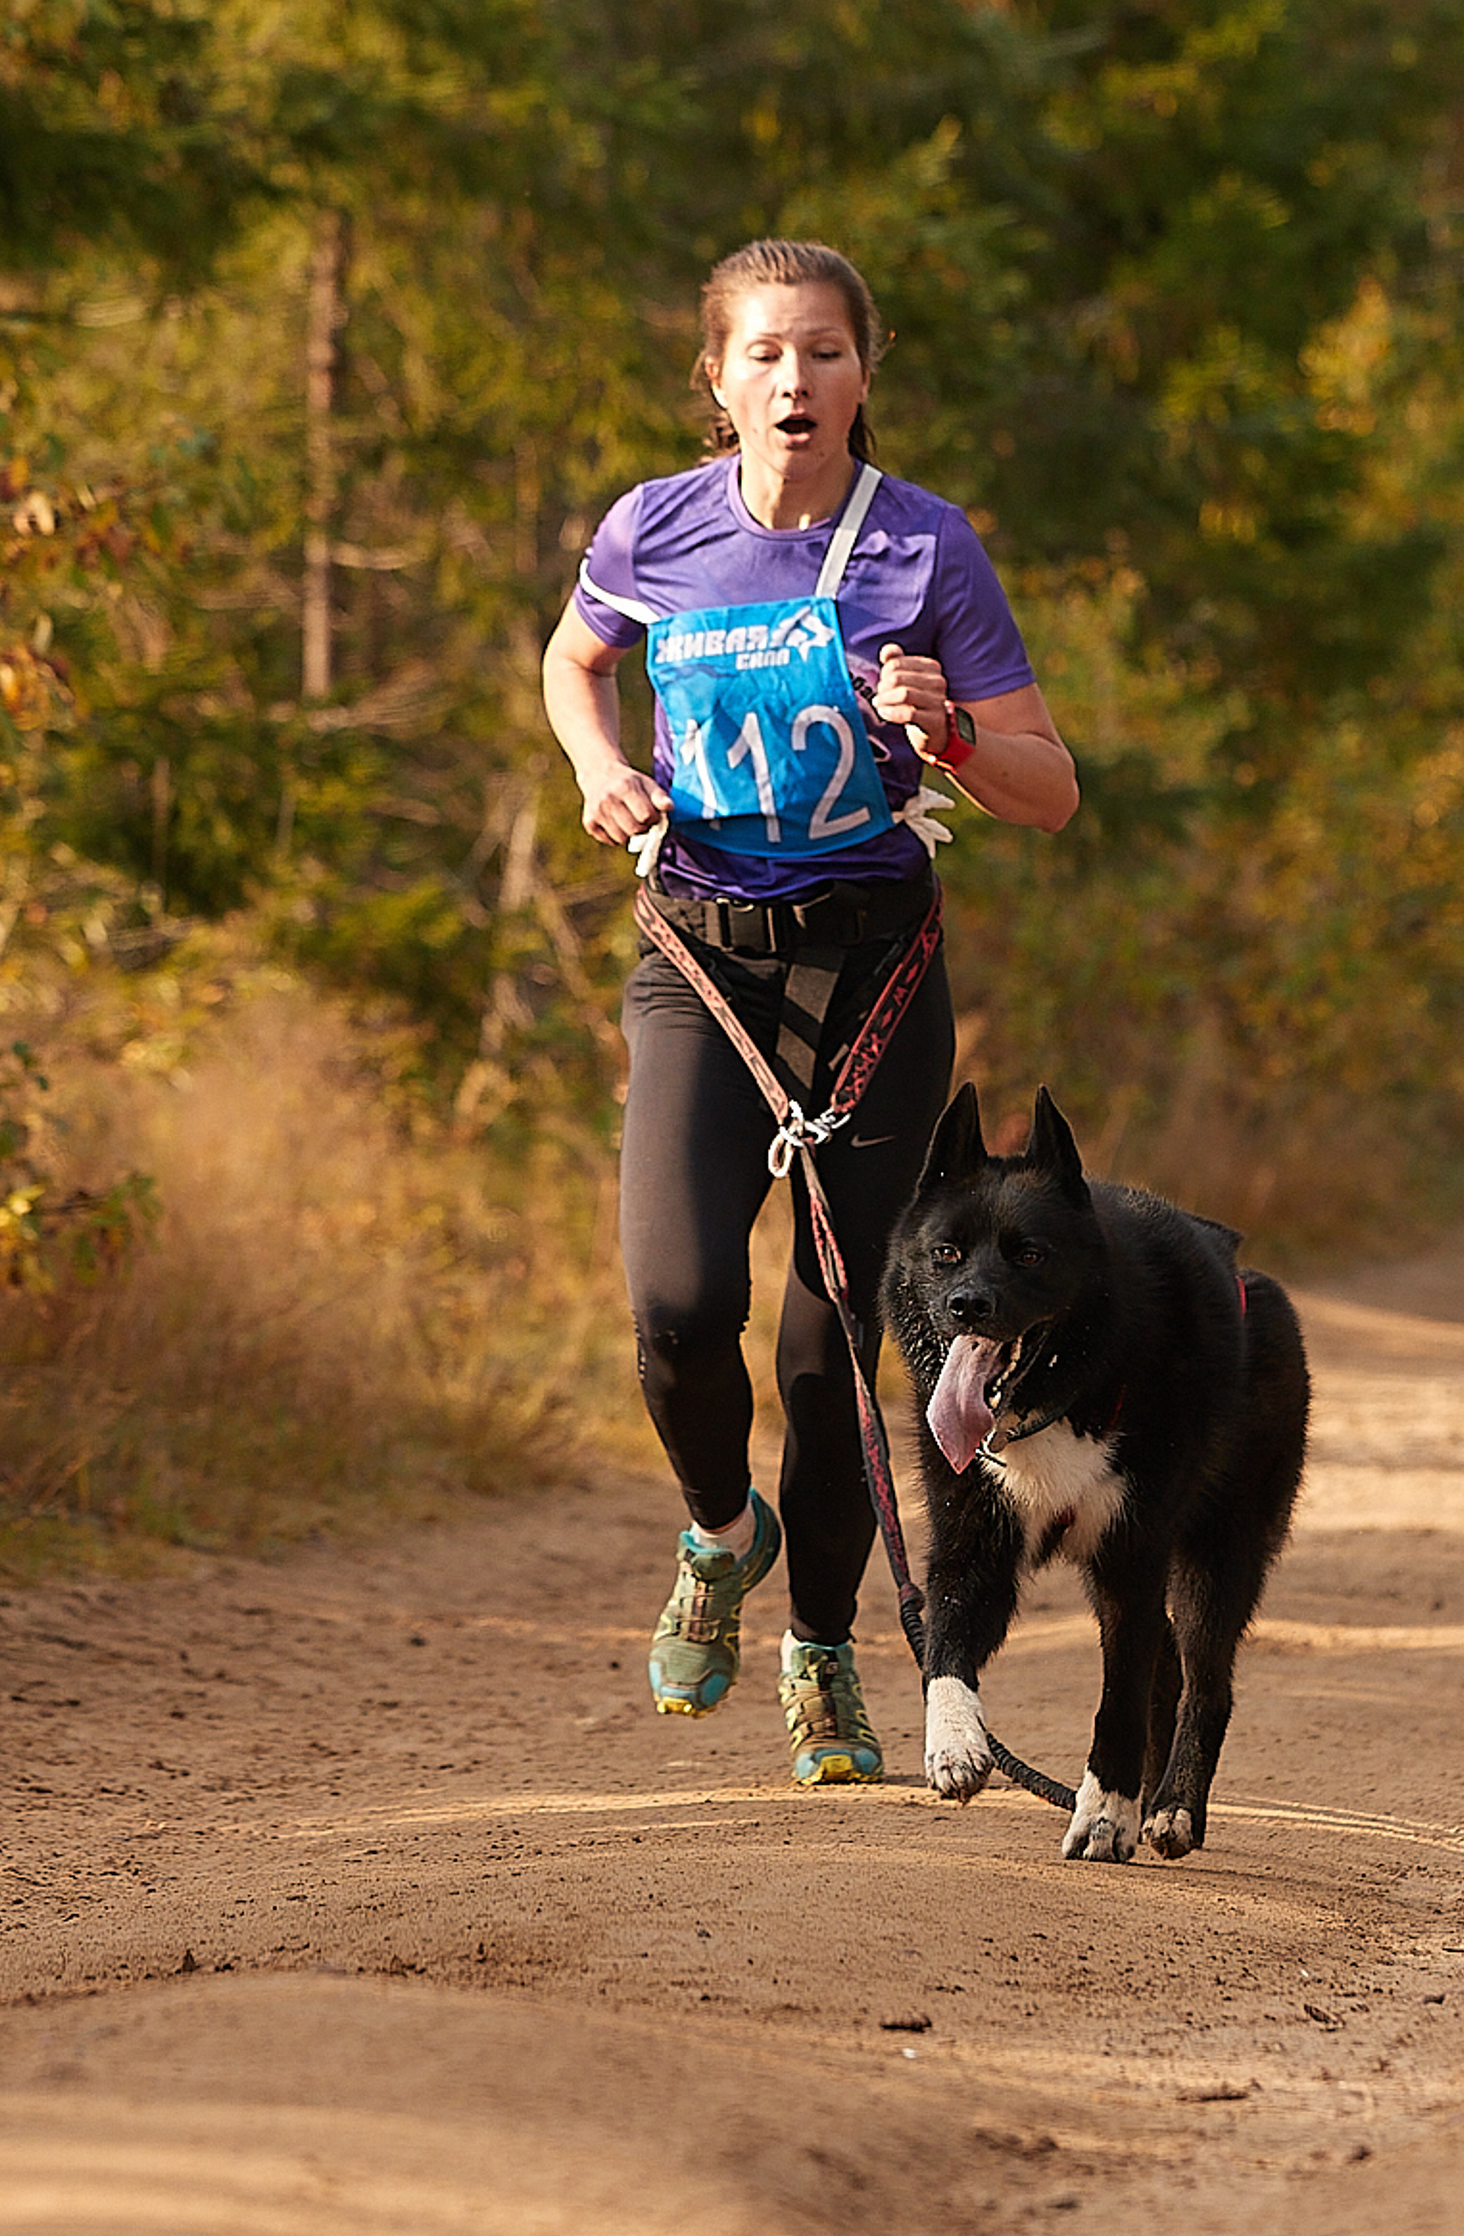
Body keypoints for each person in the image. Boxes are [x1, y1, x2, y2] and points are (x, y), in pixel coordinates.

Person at [542, 239, 1077, 1785]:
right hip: (703, 958)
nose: (798, 380)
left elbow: (1047, 790)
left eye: (828, 352)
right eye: (766, 353)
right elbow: (577, 662)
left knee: (840, 1342)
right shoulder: (654, 528)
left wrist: (958, 731)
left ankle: (823, 1650)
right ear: (715, 376)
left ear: (865, 370)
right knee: (672, 1307)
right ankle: (722, 1534)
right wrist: (598, 770)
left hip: (874, 969)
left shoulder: (927, 548)